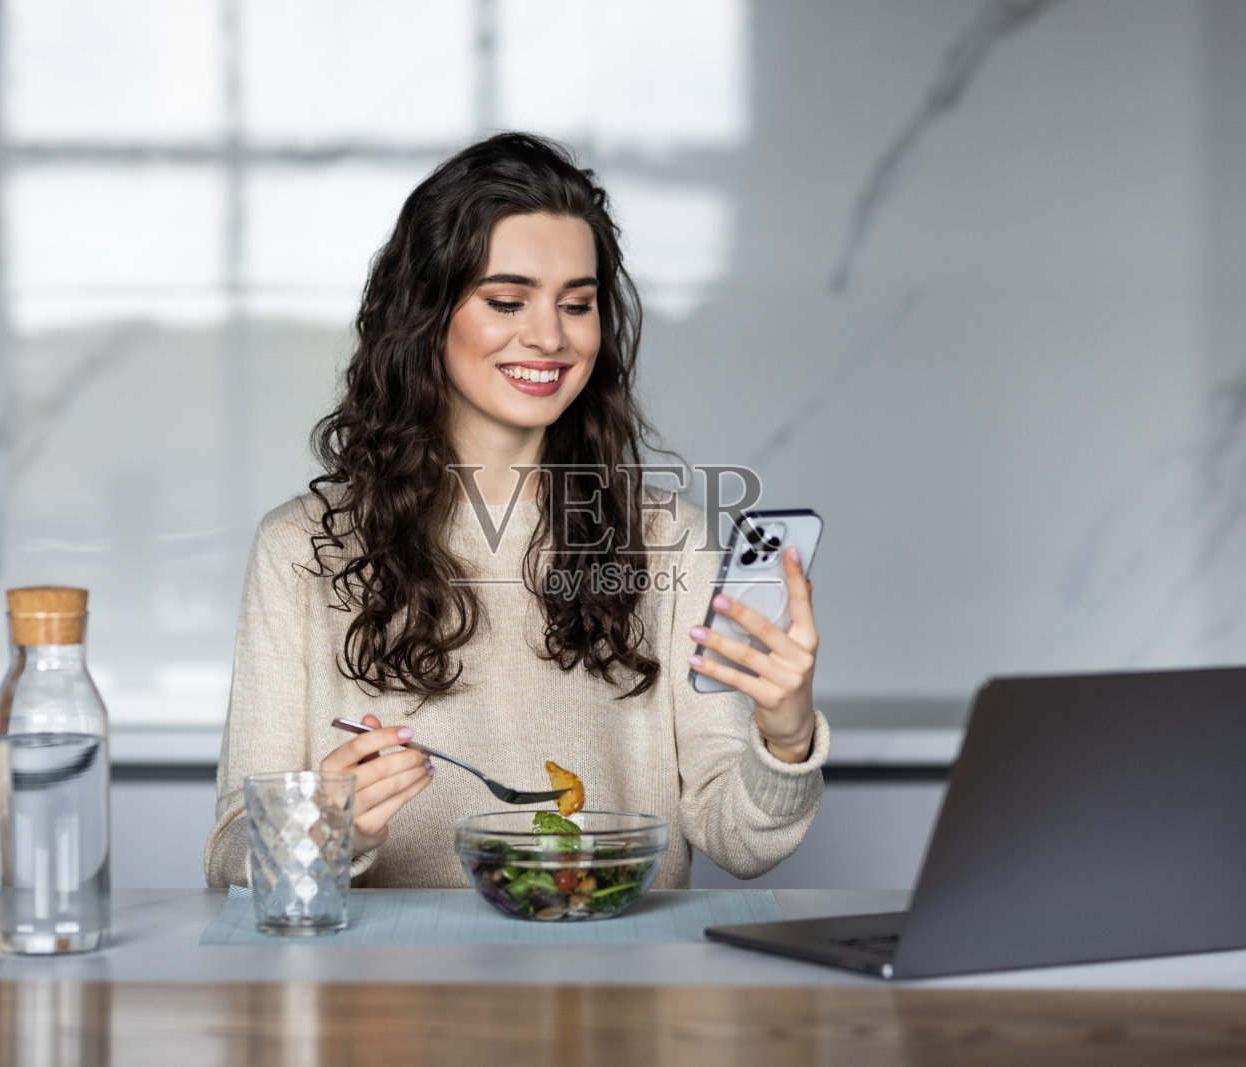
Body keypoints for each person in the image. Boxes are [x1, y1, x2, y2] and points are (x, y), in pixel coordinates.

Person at [205, 132, 829, 889]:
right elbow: (234, 853)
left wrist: (785, 736)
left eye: (578, 304)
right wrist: (330, 822)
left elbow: (743, 841)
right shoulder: (301, 547)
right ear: (426, 314)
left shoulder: (670, 540)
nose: (549, 336)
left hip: (615, 994)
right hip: (387, 996)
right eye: (507, 300)